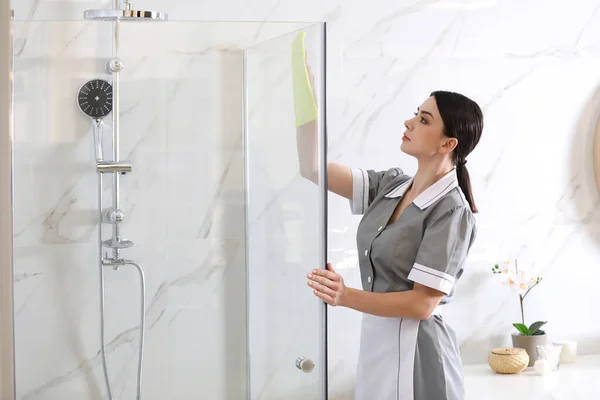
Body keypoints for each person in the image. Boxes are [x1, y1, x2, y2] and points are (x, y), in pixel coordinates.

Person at [292, 33, 483, 400]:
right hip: (377, 344)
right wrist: (307, 104)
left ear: (447, 144)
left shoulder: (452, 211)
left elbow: (421, 304)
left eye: (424, 119)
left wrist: (344, 295)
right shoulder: (391, 185)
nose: (410, 122)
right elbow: (311, 168)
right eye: (415, 113)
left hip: (421, 357)